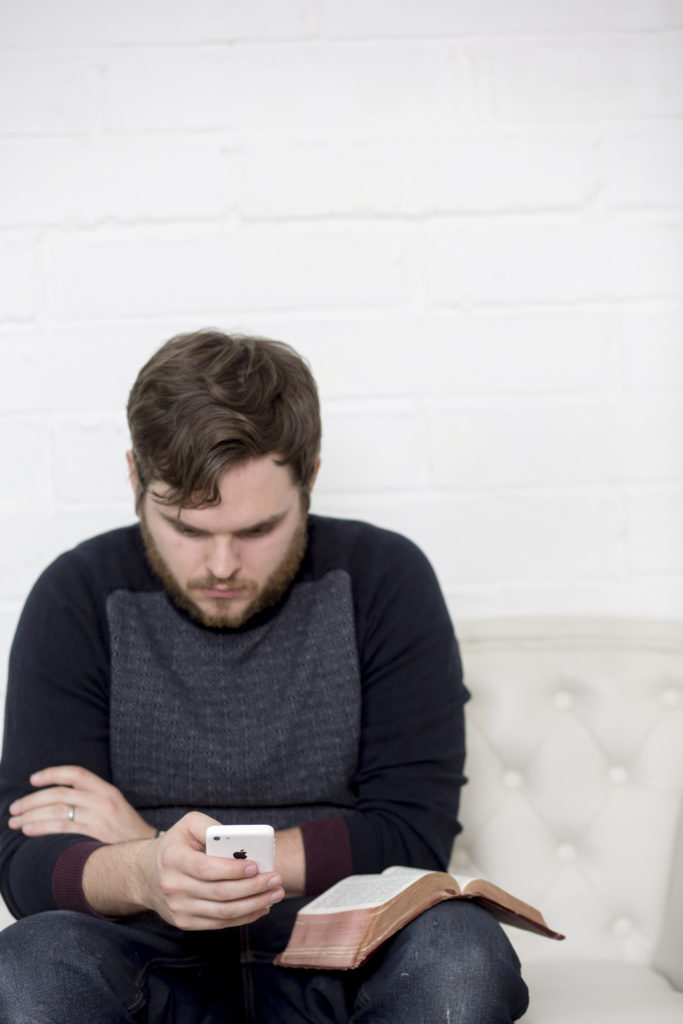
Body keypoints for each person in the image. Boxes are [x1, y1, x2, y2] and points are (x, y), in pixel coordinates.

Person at [0, 330, 529, 1023]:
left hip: (344, 948)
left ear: (308, 476)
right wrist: (145, 872)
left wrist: (162, 849)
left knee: (462, 955)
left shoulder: (382, 580)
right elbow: (28, 864)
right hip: (149, 952)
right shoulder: (78, 593)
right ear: (136, 479)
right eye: (188, 529)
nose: (221, 565)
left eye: (255, 531)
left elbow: (409, 837)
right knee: (27, 967)